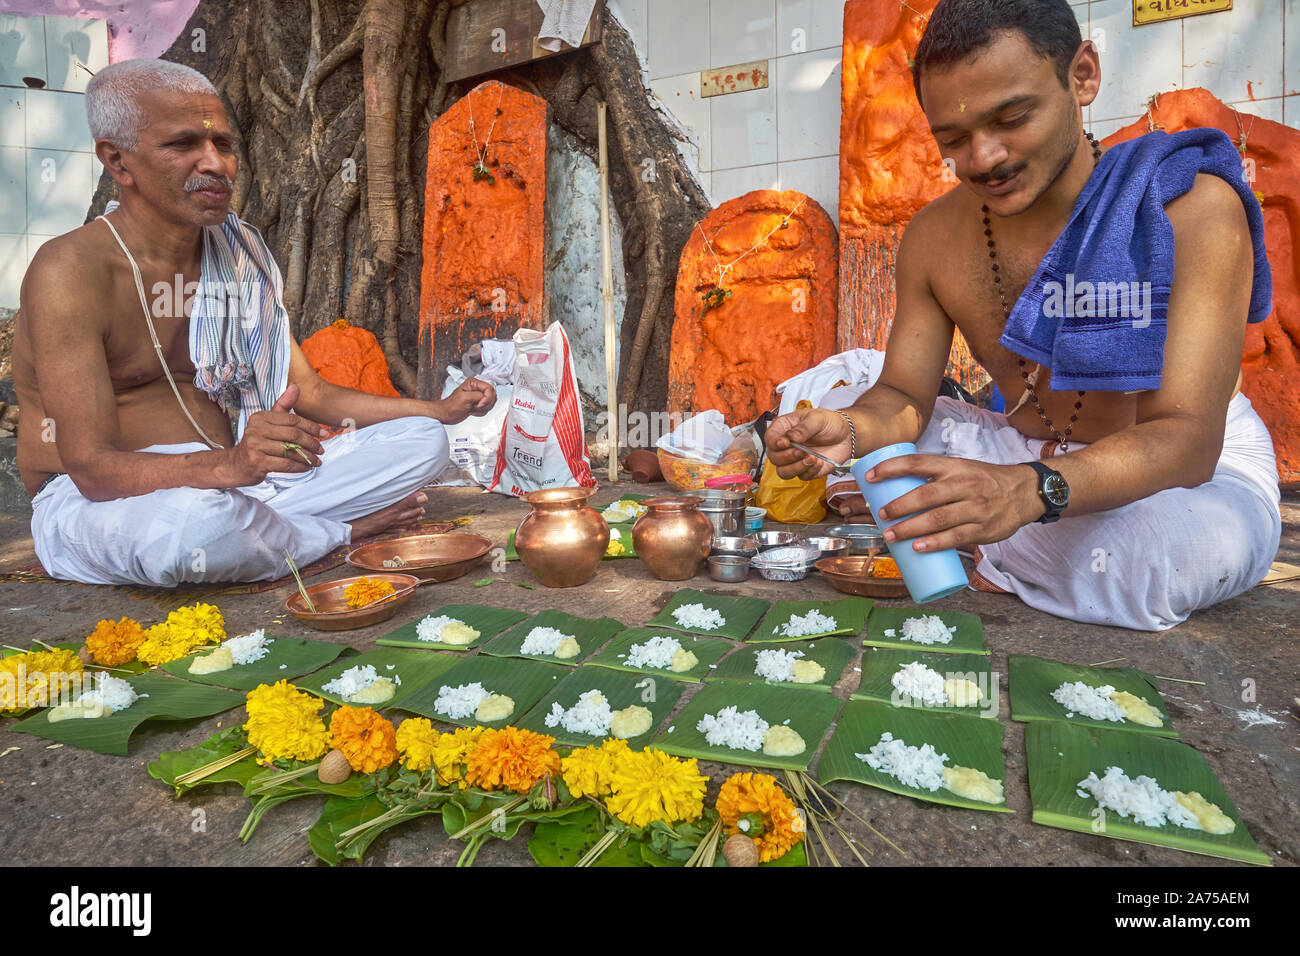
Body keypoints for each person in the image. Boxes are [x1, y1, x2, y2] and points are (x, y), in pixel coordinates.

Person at [766, 0, 1281, 631]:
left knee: (1147, 559)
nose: (984, 158)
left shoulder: (1193, 208)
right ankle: (979, 533)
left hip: (1186, 476)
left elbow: (1189, 442)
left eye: (1012, 118)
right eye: (952, 139)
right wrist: (845, 433)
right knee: (831, 396)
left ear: (1083, 75)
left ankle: (969, 537)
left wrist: (1028, 490)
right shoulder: (933, 237)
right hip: (1018, 445)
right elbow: (902, 393)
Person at [12, 58, 497, 587]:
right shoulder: (69, 272)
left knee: (424, 441)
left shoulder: (237, 253)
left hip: (240, 481)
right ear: (118, 161)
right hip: (107, 502)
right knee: (192, 535)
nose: (216, 164)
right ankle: (337, 531)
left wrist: (439, 410)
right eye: (183, 145)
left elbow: (304, 389)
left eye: (223, 144)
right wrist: (232, 466)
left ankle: (274, 529)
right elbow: (93, 469)